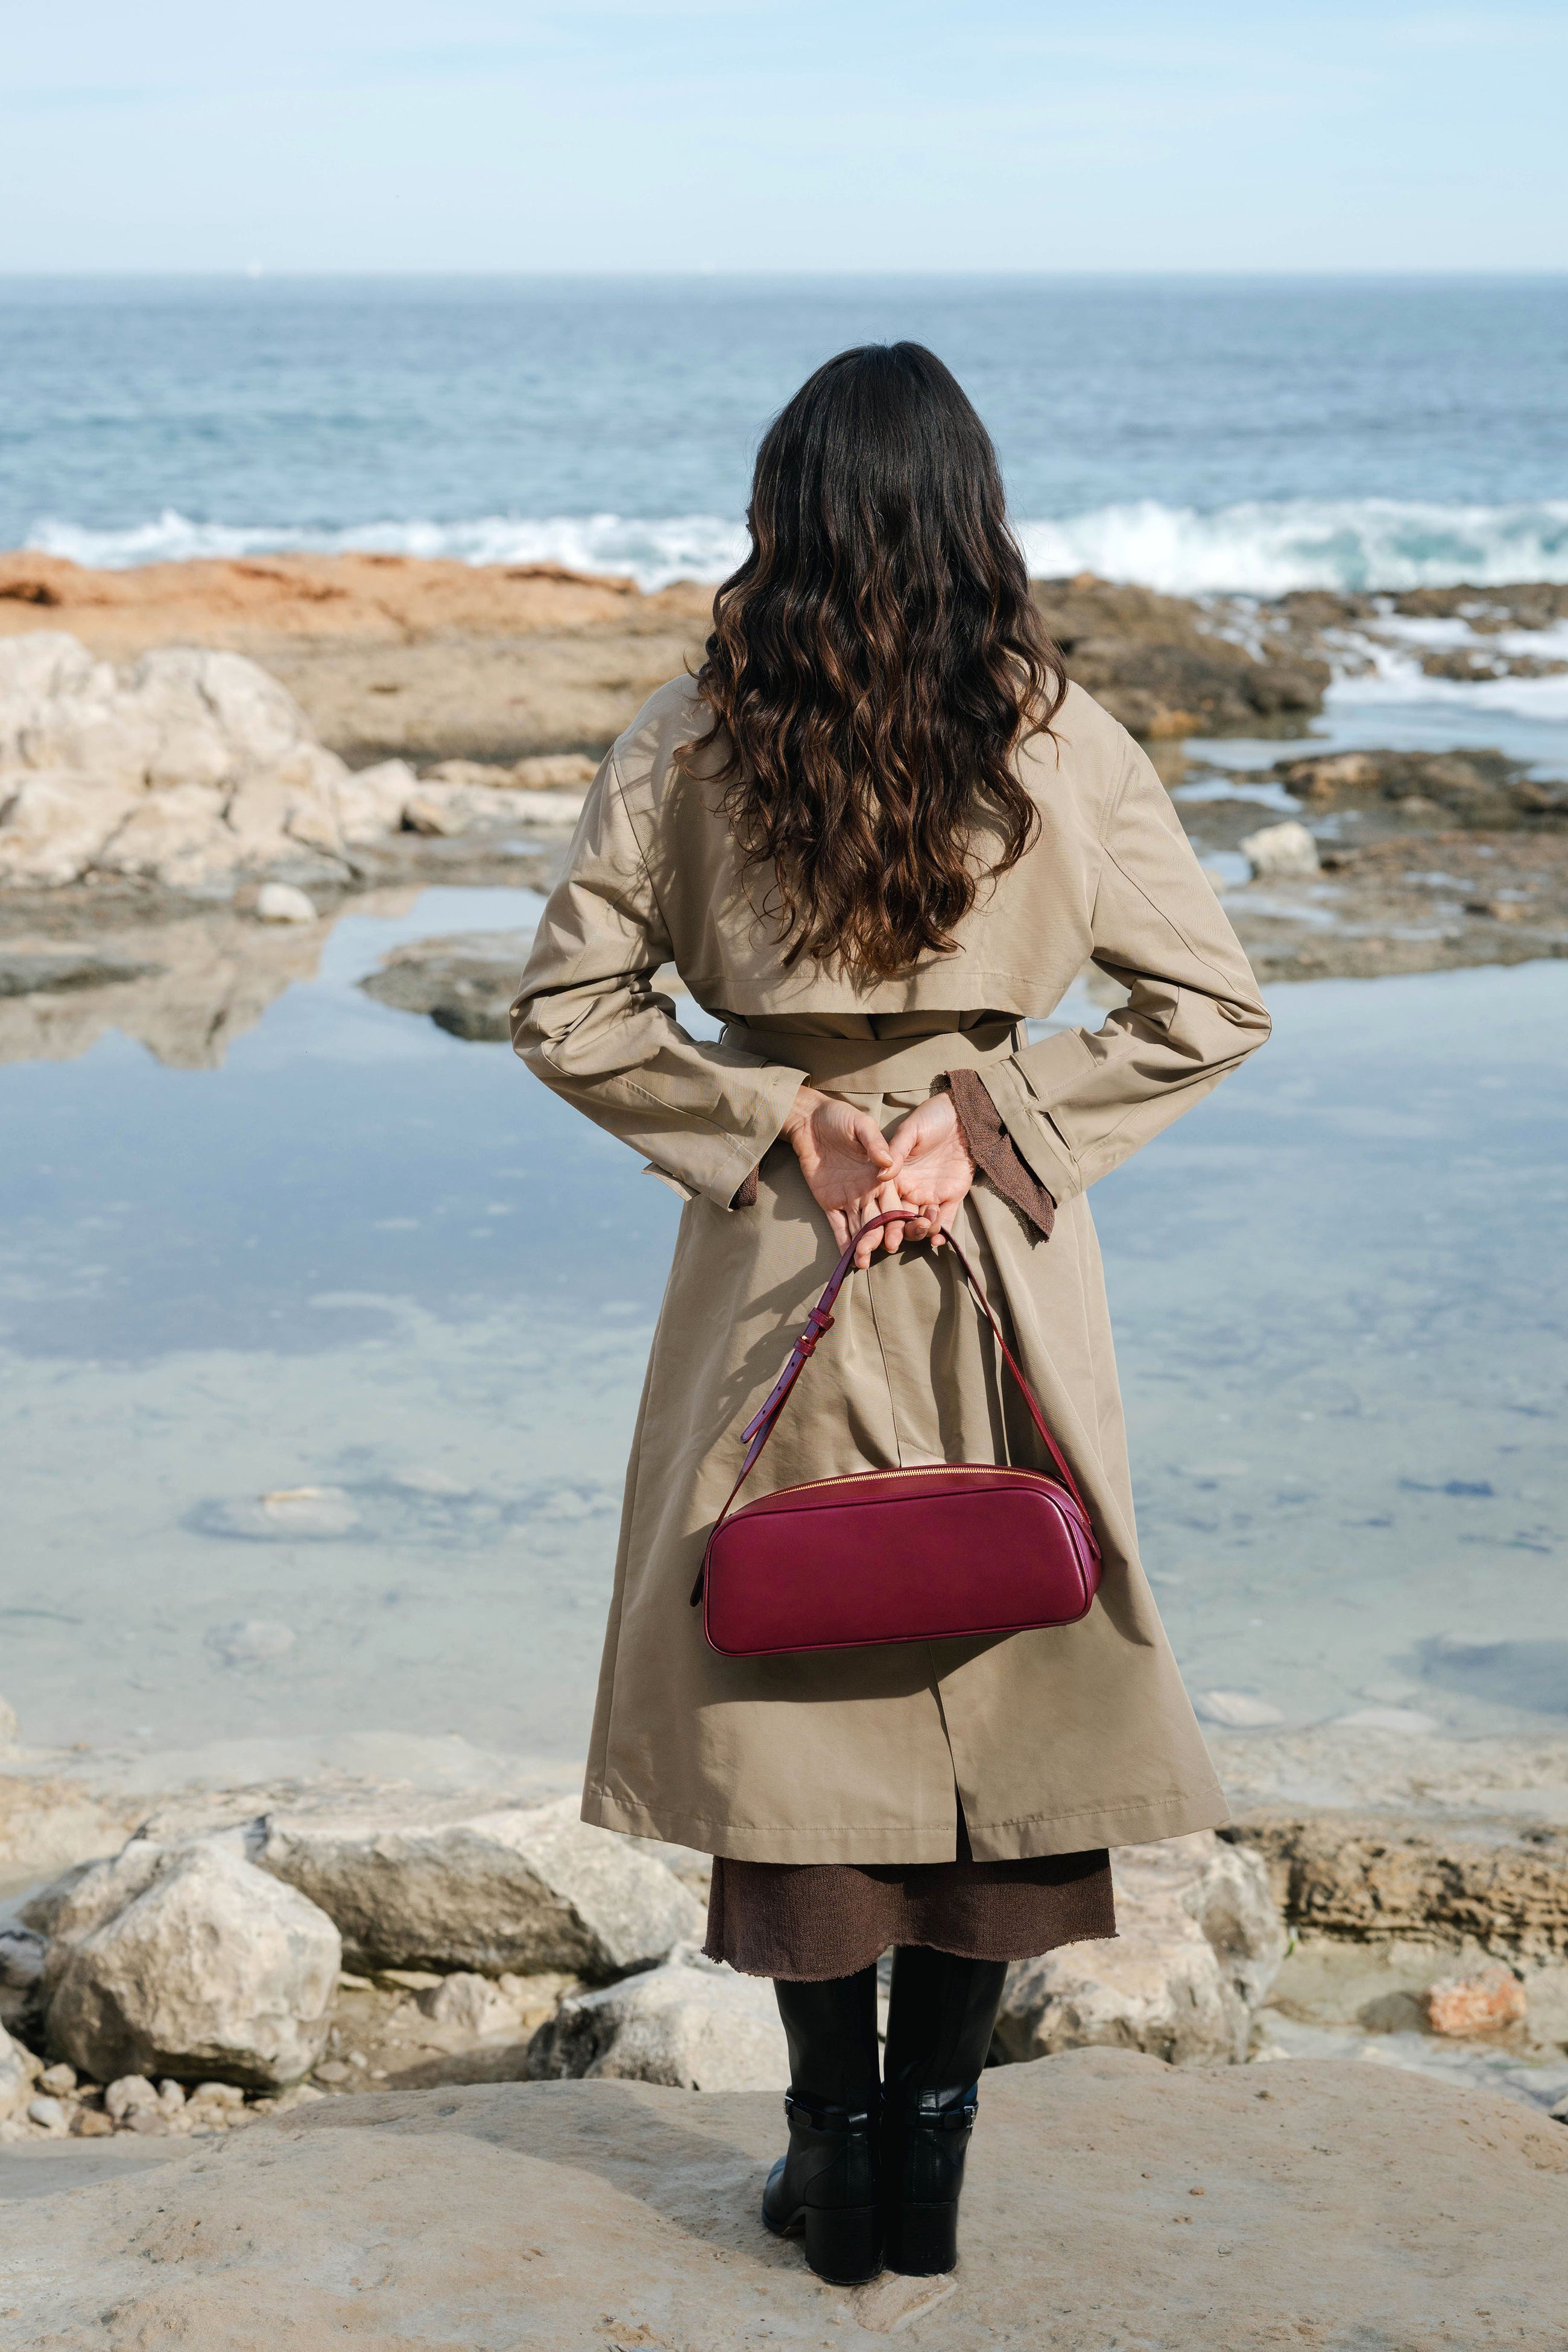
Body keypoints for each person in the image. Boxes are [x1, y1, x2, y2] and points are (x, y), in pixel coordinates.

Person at [511, 342, 1270, 2283]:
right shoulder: (1055, 734)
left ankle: (832, 2162)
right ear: (971, 517)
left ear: (785, 513)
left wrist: (788, 1121)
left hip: (787, 1253)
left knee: (799, 1681)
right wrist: (985, 1122)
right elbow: (1209, 1004)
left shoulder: (690, 734)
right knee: (1004, 1663)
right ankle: (926, 2165)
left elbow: (569, 1014)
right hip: (998, 1244)